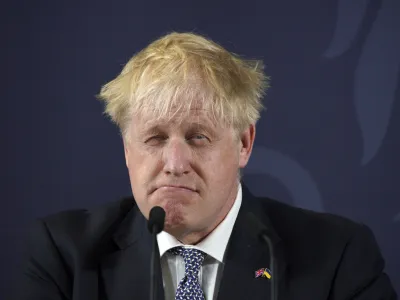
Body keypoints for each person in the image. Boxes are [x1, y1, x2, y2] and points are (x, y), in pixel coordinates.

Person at [18, 32, 396, 300]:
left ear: (244, 144)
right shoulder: (64, 256)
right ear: (127, 150)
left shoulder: (337, 257)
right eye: (155, 138)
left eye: (198, 137)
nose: (175, 163)